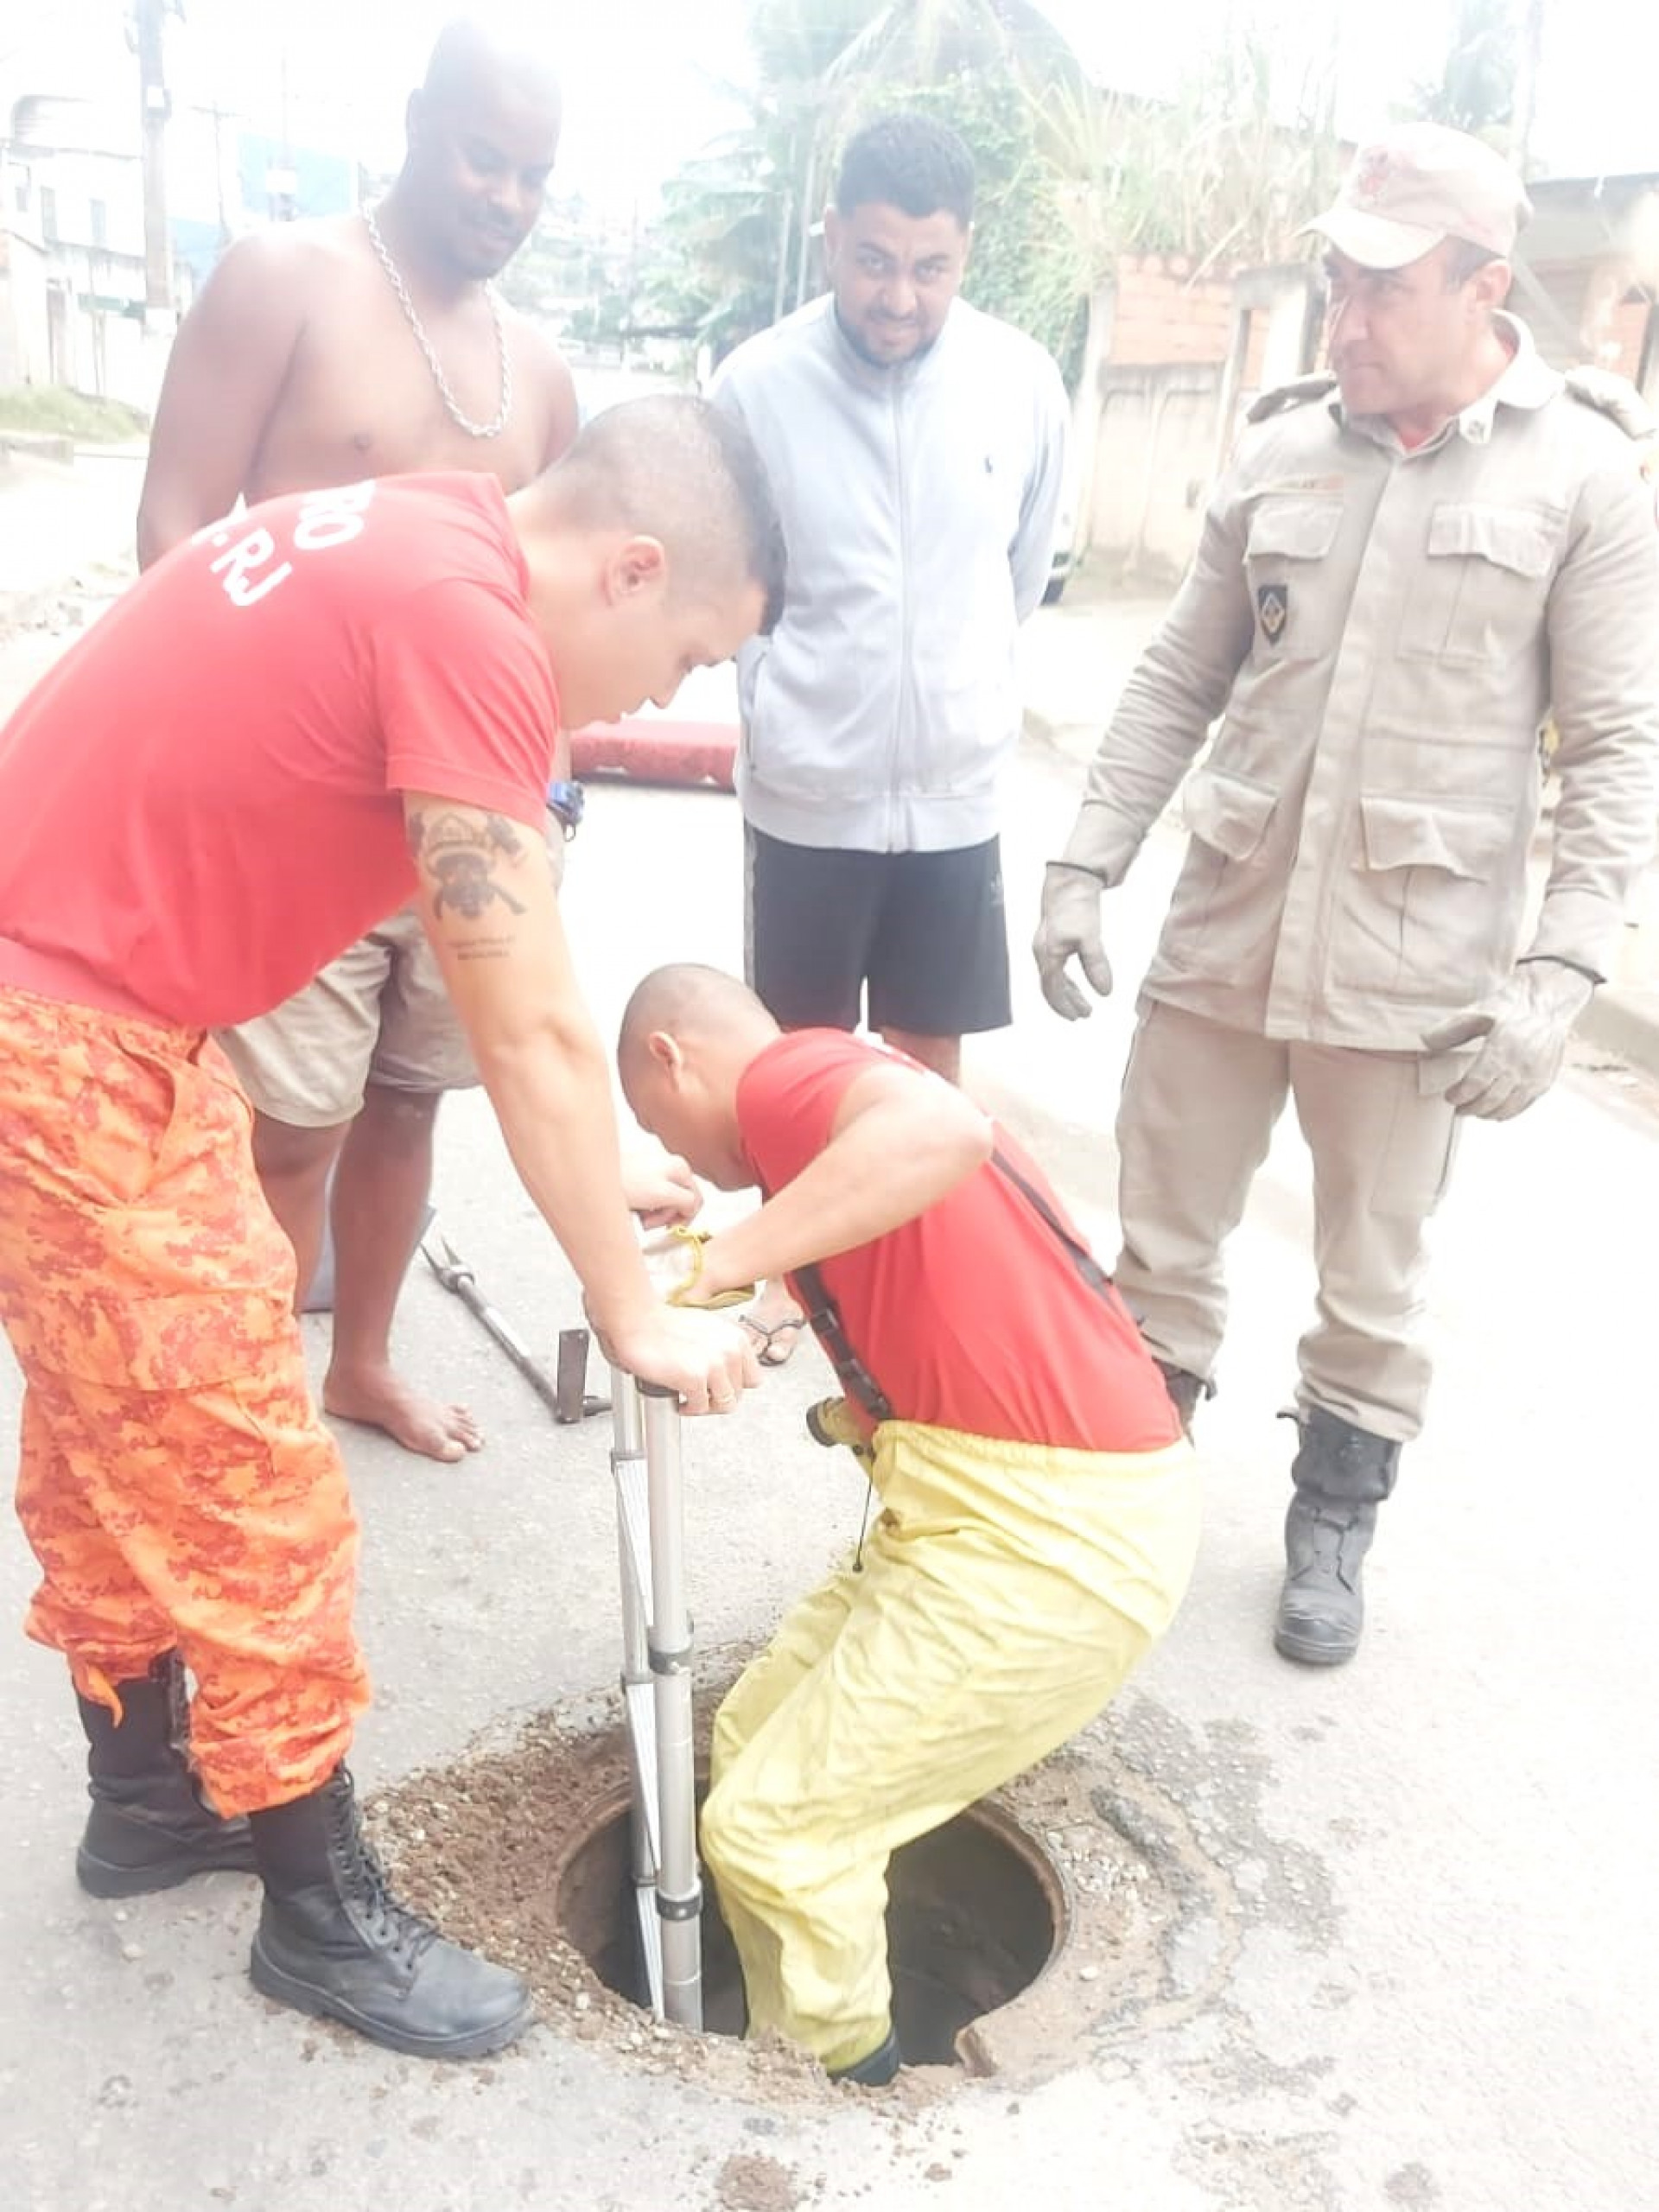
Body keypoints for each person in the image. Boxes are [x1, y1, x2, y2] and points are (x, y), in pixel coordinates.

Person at [0, 395, 784, 2060]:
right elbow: (528, 1018)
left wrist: (587, 1176)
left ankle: (145, 1805)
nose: (665, 700)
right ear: (633, 568)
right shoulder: (469, 626)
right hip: (61, 1046)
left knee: (109, 1441)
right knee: (247, 1489)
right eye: (690, 656)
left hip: (93, 1021)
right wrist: (629, 1303)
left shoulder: (428, 534)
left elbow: (494, 987)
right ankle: (316, 1918)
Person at [1033, 124, 1659, 1668]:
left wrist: (1567, 971)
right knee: (1162, 1238)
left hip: (1413, 963)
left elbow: (1618, 743)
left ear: (1484, 287)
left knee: (1371, 1272)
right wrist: (1081, 856)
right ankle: (1132, 1493)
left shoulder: (1583, 472)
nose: (1348, 321)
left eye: (1383, 291)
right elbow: (1183, 672)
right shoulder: (1283, 446)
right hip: (1230, 926)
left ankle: (1331, 1517)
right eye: (1336, 283)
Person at [617, 963, 1198, 2084]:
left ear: (672, 1058)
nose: (684, 1158)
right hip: (989, 1509)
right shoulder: (828, 1098)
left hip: (1051, 1539)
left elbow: (943, 1127)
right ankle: (789, 2034)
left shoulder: (788, 1080)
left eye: (660, 1125)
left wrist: (718, 1263)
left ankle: (850, 2089)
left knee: (775, 1830)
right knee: (747, 1747)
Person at [137, 16, 581, 1464]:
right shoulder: (288, 284)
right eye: (482, 159)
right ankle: (249, 1397)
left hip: (452, 834)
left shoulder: (541, 375)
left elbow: (545, 610)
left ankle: (364, 1362)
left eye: (533, 176)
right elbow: (174, 526)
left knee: (407, 1109)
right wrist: (219, 765)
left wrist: (547, 797)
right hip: (292, 819)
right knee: (284, 1130)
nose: (506, 199)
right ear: (415, 119)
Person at [710, 111, 1069, 1364]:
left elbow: (1018, 570)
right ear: (831, 241)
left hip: (955, 795)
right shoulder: (755, 387)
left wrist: (955, 691)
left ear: (965, 253)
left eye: (930, 267)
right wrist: (797, 697)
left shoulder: (1020, 378)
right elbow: (734, 581)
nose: (899, 296)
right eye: (873, 261)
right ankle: (795, 1280)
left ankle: (916, 1274)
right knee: (801, 1064)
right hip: (809, 791)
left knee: (925, 1059)